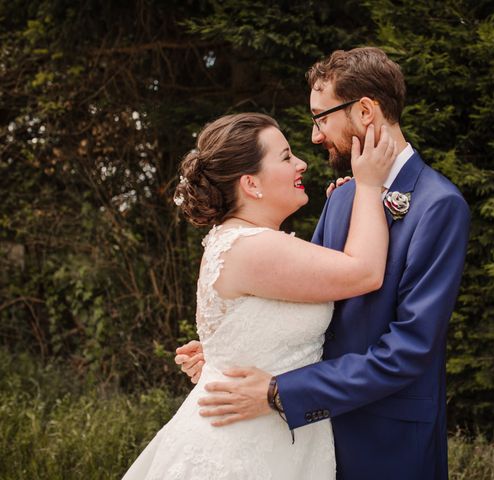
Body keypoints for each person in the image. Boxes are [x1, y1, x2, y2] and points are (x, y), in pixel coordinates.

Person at [177, 47, 470, 480]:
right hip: (308, 438)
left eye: (321, 117)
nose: (315, 136)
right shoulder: (347, 195)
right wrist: (233, 353)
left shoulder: (439, 206)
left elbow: (409, 350)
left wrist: (281, 390)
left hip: (385, 443)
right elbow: (312, 305)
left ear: (365, 111)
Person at [122, 112, 397, 479]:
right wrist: (368, 186)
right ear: (251, 184)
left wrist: (220, 358)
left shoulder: (240, 241)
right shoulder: (252, 247)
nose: (300, 163)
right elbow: (364, 272)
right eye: (285, 157)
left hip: (274, 439)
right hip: (242, 452)